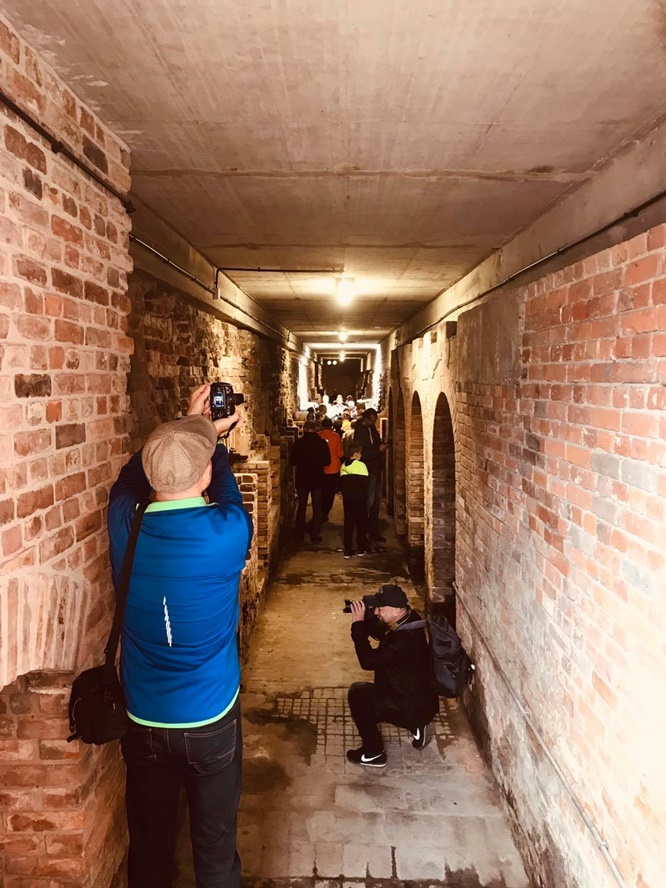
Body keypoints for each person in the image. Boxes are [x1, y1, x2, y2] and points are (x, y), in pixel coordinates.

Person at [107, 384, 253, 888]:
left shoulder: (125, 523)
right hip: (210, 716)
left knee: (150, 844)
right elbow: (227, 491)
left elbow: (129, 478)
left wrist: (186, 428)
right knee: (215, 849)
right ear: (206, 472)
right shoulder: (228, 530)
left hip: (145, 718)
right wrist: (208, 431)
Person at [346, 584, 439, 767]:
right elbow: (382, 633)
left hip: (408, 703)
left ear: (396, 610)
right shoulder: (409, 619)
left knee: (358, 695)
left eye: (380, 608)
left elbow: (368, 661)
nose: (377, 612)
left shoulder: (404, 641)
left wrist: (357, 625)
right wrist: (365, 618)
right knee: (366, 692)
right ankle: (418, 724)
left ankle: (373, 753)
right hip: (417, 697)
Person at [289, 420, 330, 543]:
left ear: (305, 429)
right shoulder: (322, 443)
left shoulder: (299, 443)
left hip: (303, 478)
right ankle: (315, 534)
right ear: (316, 429)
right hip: (317, 478)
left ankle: (299, 534)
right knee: (317, 507)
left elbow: (292, 461)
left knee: (301, 506)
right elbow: (327, 461)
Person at [353, 408, 389, 542]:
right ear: (366, 419)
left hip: (376, 468)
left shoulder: (371, 428)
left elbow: (376, 443)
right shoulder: (360, 432)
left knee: (376, 501)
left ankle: (373, 531)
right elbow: (362, 455)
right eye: (372, 421)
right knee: (368, 501)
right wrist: (378, 451)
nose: (373, 423)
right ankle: (362, 531)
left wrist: (383, 443)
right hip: (367, 470)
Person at [339, 438, 370, 558]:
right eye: (360, 453)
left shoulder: (343, 466)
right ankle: (361, 548)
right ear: (356, 454)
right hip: (360, 499)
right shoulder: (361, 465)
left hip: (348, 499)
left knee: (349, 523)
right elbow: (366, 483)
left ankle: (348, 549)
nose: (361, 455)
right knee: (361, 523)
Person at [318, 416, 344, 522]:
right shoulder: (336, 436)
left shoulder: (318, 435)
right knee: (330, 492)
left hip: (320, 469)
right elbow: (340, 453)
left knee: (320, 491)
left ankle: (319, 511)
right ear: (331, 426)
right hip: (333, 469)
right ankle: (325, 512)